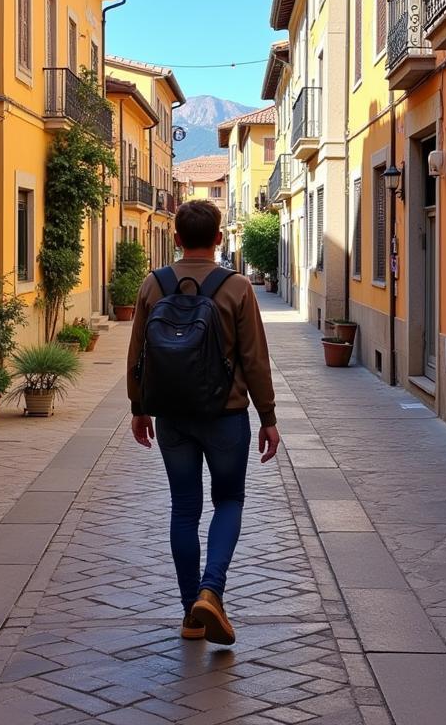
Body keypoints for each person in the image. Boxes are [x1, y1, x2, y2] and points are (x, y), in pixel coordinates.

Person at [127, 199, 280, 645]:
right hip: (226, 415)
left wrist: (139, 408)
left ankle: (190, 614)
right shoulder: (237, 287)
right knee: (229, 500)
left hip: (172, 415)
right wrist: (267, 416)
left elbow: (137, 354)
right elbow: (254, 359)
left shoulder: (153, 285)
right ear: (218, 239)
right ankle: (211, 590)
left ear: (176, 239)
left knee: (184, 509)